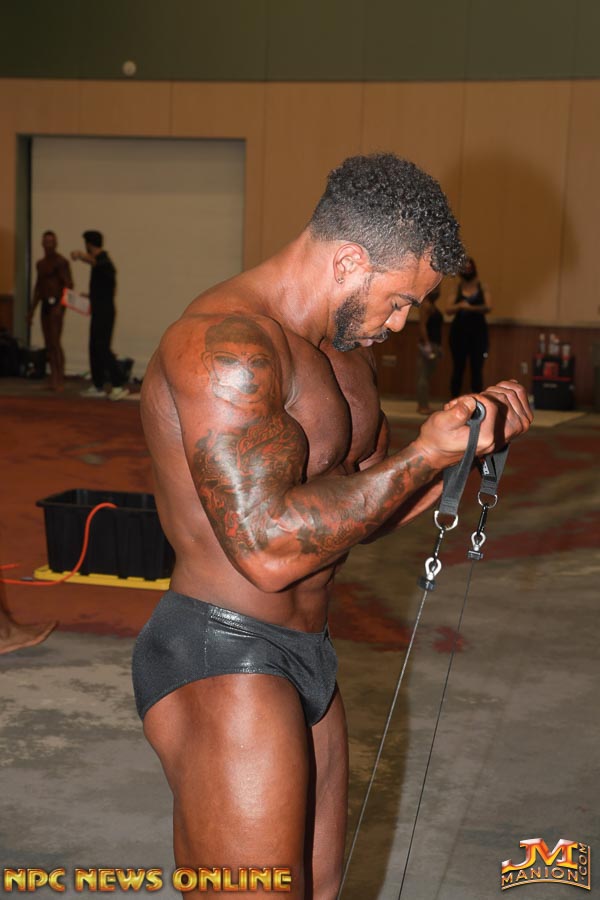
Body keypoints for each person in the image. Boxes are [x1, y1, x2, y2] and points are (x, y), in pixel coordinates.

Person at [132, 154, 532, 899]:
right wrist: (423, 454)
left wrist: (464, 452)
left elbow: (358, 511)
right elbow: (266, 550)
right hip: (224, 651)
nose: (401, 322)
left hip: (306, 653)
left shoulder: (345, 359)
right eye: (399, 300)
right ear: (349, 261)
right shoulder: (225, 347)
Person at [71, 231, 128, 399]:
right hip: (98, 310)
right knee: (94, 347)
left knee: (102, 348)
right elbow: (107, 289)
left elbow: (97, 263)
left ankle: (118, 385)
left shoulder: (104, 261)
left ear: (89, 244)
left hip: (105, 312)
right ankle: (98, 385)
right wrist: (89, 296)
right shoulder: (99, 265)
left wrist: (80, 255)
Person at [28, 230, 73, 391]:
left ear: (55, 243)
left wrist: (61, 307)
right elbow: (38, 288)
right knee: (48, 344)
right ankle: (53, 376)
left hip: (56, 306)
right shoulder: (40, 264)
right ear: (42, 243)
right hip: (45, 305)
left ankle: (59, 378)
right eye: (46, 241)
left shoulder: (61, 262)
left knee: (55, 342)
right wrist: (31, 310)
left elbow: (68, 285)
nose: (48, 244)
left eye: (51, 241)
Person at [446, 256, 492, 397]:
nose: (467, 270)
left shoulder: (482, 287)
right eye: (464, 268)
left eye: (469, 268)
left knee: (477, 368)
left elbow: (489, 306)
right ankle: (454, 399)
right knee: (458, 368)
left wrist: (470, 308)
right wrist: (460, 305)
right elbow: (448, 309)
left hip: (478, 333)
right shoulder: (457, 288)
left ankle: (478, 401)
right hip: (459, 334)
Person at [416, 285, 443, 414]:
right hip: (428, 344)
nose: (437, 292)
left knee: (426, 375)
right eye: (435, 289)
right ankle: (422, 406)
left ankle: (424, 404)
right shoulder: (426, 305)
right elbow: (422, 326)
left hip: (434, 344)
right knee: (423, 376)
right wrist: (427, 345)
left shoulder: (432, 306)